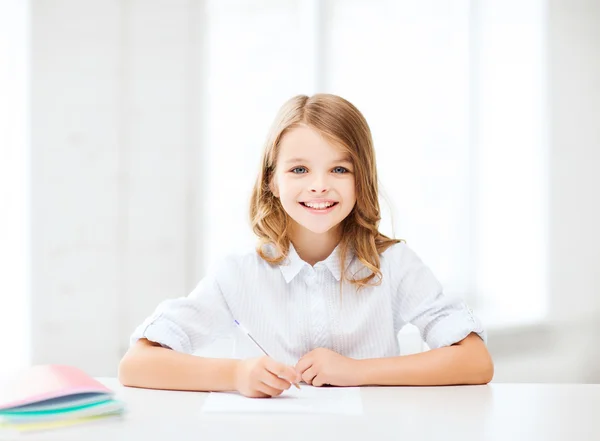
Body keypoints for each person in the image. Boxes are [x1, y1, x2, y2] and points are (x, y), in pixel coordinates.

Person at [118, 94, 494, 398]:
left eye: (339, 169)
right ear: (272, 180)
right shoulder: (237, 273)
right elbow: (136, 365)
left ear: (362, 180)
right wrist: (236, 374)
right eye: (299, 169)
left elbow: (475, 362)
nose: (319, 185)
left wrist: (354, 371)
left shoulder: (393, 265)